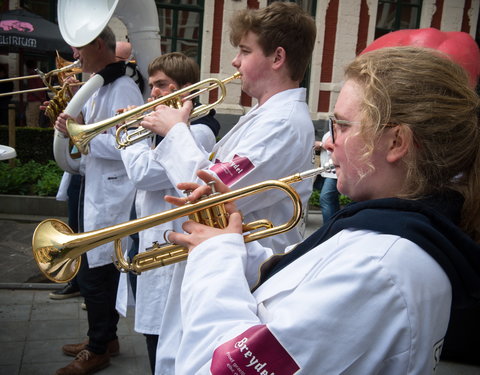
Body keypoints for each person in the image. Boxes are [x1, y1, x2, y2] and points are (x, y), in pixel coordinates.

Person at [162, 46, 480, 373]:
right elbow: (296, 290)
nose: (327, 142)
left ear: (396, 142)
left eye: (341, 125)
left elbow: (221, 367)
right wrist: (233, 240)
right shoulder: (382, 238)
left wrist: (214, 258)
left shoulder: (378, 268)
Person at [139, 3, 317, 373]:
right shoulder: (266, 114)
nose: (234, 63)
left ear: (277, 57)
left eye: (244, 50)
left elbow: (214, 189)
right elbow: (220, 175)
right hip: (227, 262)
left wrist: (175, 132)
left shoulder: (282, 123)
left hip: (243, 273)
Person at [116, 52, 220, 374]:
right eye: (152, 85)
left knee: (162, 341)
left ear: (185, 90)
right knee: (153, 334)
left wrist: (129, 135)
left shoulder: (198, 131)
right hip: (149, 240)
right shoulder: (165, 129)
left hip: (170, 248)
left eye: (163, 85)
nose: (153, 93)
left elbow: (143, 173)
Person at [53, 25, 144, 375]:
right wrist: (71, 125)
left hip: (111, 193)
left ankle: (99, 345)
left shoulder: (121, 87)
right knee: (93, 269)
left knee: (97, 272)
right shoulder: (100, 85)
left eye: (79, 48)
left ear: (97, 44)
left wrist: (81, 135)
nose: (75, 56)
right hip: (95, 185)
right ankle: (104, 339)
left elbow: (129, 145)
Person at [314, 131, 340, 223]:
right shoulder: (334, 125)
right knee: (331, 199)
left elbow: (333, 146)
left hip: (334, 171)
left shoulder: (339, 127)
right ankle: (334, 225)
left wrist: (321, 144)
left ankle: (329, 229)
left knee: (326, 198)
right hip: (328, 170)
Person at [25, 59, 45, 127]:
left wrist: (40, 98)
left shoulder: (31, 76)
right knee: (35, 120)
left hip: (34, 100)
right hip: (38, 100)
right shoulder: (38, 75)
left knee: (31, 120)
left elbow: (34, 90)